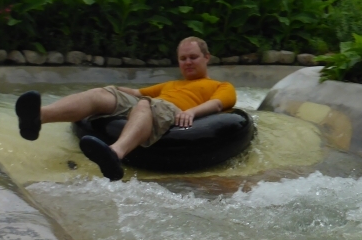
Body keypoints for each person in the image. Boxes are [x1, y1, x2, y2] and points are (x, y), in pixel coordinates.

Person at [14, 37, 236, 181]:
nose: (187, 62)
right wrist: (110, 88)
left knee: (145, 104)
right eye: (183, 58)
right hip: (150, 104)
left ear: (207, 57)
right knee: (100, 94)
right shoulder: (171, 84)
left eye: (193, 57)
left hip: (171, 110)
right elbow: (137, 92)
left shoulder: (220, 86)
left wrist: (191, 112)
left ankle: (115, 154)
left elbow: (218, 104)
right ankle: (38, 118)